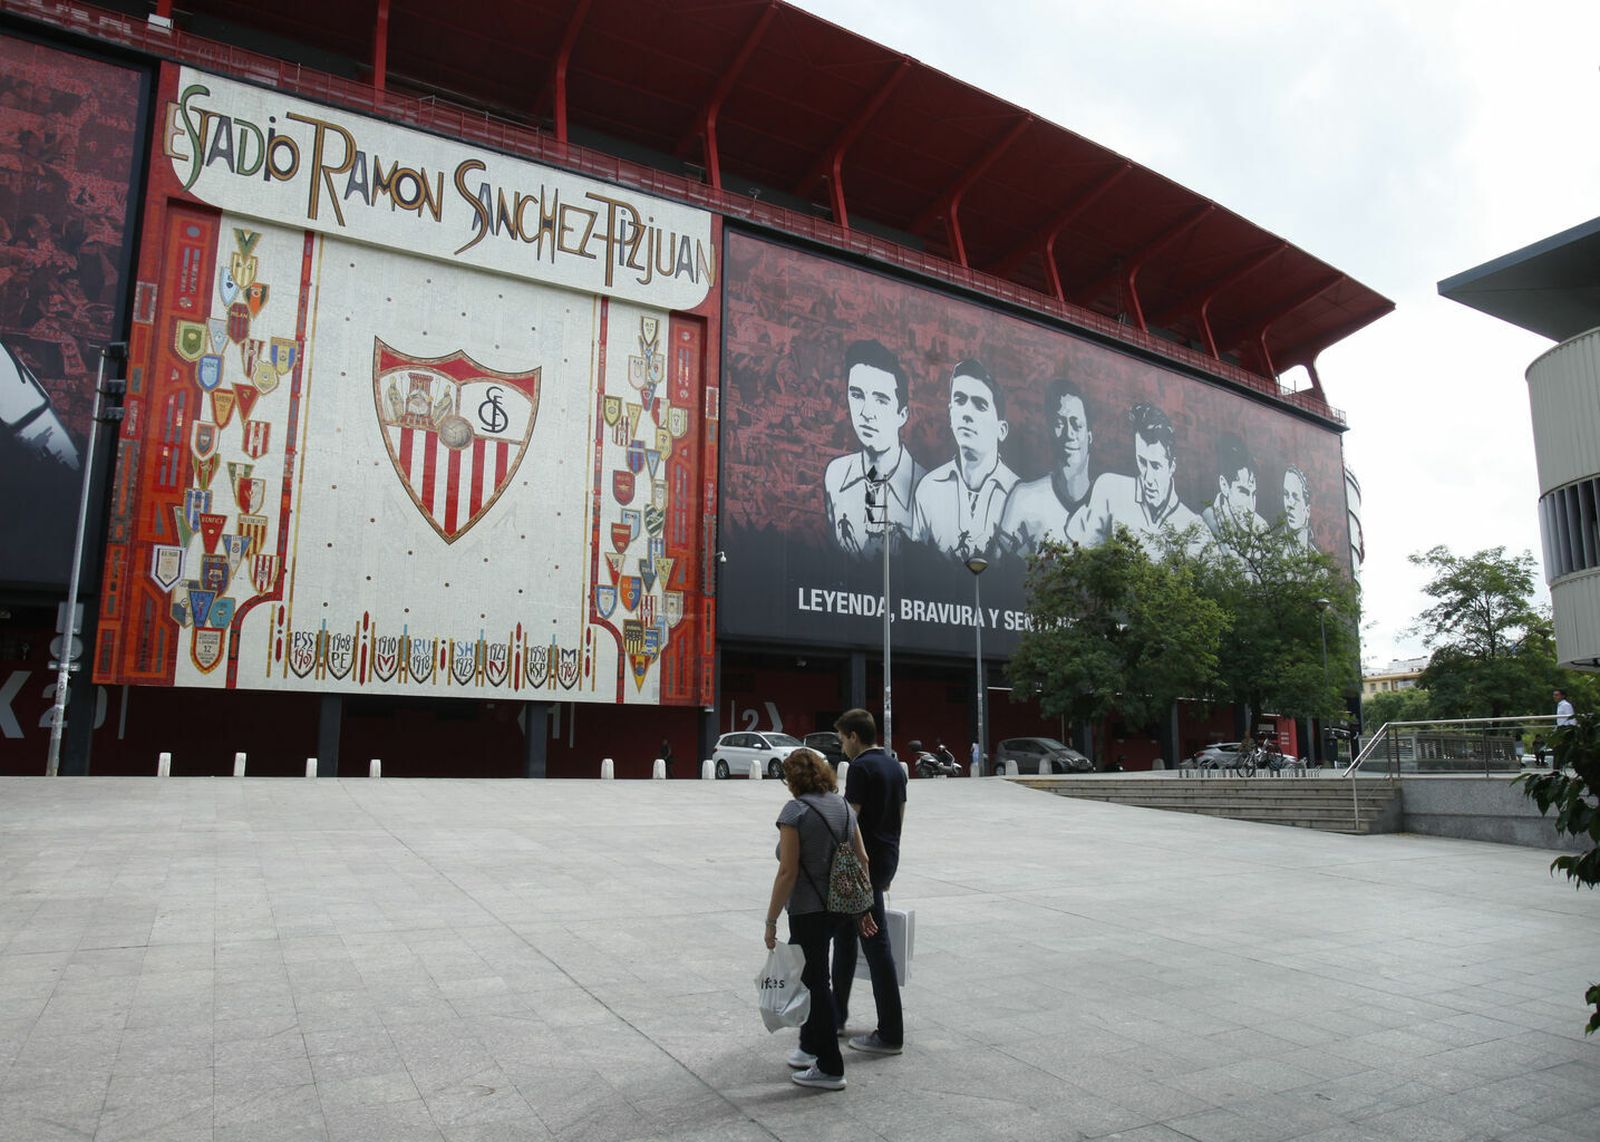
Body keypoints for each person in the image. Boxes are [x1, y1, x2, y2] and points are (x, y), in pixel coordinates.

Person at [764, 747, 877, 1092]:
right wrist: (864, 907)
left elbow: (788, 871)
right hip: (840, 909)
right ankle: (809, 1047)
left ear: (793, 779)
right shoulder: (842, 806)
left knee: (815, 984)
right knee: (813, 979)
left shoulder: (795, 811)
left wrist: (770, 922)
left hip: (808, 910)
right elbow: (863, 859)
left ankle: (830, 1067)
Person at [829, 707, 907, 1057]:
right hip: (886, 858)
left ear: (854, 737)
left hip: (862, 867)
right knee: (845, 939)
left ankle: (890, 1033)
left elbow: (849, 820)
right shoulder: (894, 765)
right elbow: (900, 818)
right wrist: (888, 866)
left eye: (843, 739)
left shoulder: (860, 768)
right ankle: (836, 1015)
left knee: (877, 949)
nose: (842, 746)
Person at [823, 340, 925, 557]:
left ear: (902, 415)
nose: (866, 413)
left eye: (881, 400)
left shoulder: (926, 488)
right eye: (857, 395)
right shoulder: (835, 475)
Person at [1066, 401, 1205, 558]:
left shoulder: (1195, 527)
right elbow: (1078, 557)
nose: (1148, 478)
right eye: (1142, 462)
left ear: (1172, 466)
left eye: (1156, 466)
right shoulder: (1109, 490)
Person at [912, 358, 1018, 562]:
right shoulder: (928, 489)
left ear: (1001, 430)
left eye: (980, 405)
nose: (967, 413)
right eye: (960, 400)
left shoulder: (1019, 495)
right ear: (950, 413)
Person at [998, 377, 1094, 556]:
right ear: (1050, 432)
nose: (1069, 433)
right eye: (1059, 423)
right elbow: (995, 567)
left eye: (1076, 424)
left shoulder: (1108, 505)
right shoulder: (1024, 498)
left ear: (1089, 436)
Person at [1201, 432, 1268, 544]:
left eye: (1254, 494)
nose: (1251, 506)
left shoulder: (1261, 527)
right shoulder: (1208, 521)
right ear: (1224, 485)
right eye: (1244, 492)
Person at [1281, 464, 1314, 549]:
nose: (1289, 504)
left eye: (1295, 497)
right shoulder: (1276, 550)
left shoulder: (1317, 558)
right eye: (1286, 494)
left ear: (1307, 510)